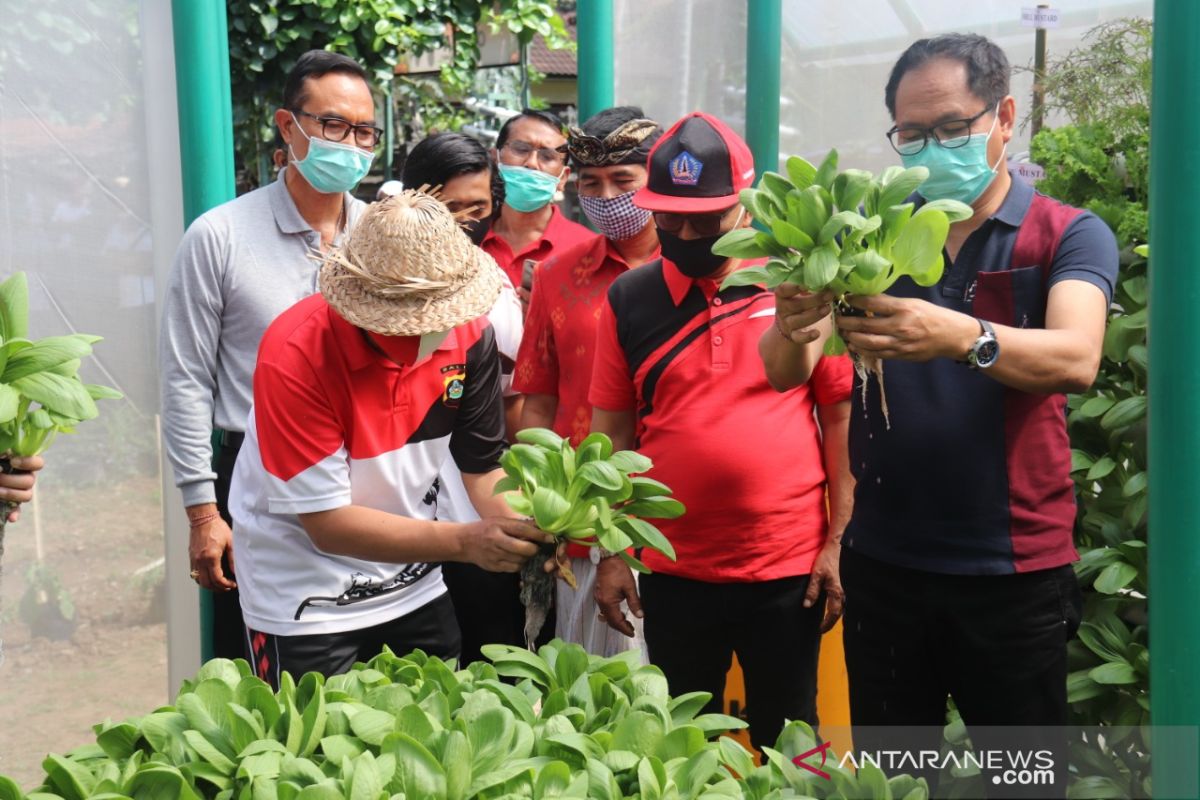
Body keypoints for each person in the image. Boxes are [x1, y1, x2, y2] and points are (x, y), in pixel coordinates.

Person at [765, 34, 1118, 794]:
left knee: (1019, 780)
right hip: (886, 563)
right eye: (913, 134)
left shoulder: (1064, 232)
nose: (932, 148)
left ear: (1005, 118)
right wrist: (792, 322)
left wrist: (962, 337)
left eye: (953, 128)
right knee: (896, 776)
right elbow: (784, 368)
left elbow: (1077, 357)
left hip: (1012, 567)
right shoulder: (870, 232)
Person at [589, 112, 853, 752]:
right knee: (683, 742)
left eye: (704, 219)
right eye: (668, 217)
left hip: (788, 567)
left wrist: (839, 541)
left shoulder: (798, 288)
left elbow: (841, 419)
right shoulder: (630, 299)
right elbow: (611, 439)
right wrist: (615, 551)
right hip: (674, 571)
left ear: (745, 205)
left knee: (793, 740)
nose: (683, 232)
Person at [229, 191, 553, 685]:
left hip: (414, 580)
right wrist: (467, 542)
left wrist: (527, 532)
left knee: (432, 735)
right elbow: (326, 523)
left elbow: (482, 467)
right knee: (312, 747)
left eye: (439, 316)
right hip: (305, 596)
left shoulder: (471, 335)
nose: (429, 333)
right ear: (361, 307)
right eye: (404, 321)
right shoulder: (297, 352)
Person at [159, 50, 376, 659]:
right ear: (288, 125)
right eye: (333, 125)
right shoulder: (220, 235)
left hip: (369, 475)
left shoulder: (384, 235)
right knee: (270, 666)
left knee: (378, 653)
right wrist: (204, 512)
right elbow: (185, 380)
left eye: (364, 131)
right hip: (257, 477)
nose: (351, 145)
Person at [514, 106, 662, 656]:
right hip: (586, 516)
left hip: (683, 511)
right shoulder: (555, 274)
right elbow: (539, 399)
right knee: (595, 688)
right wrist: (536, 497)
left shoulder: (701, 268)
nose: (606, 196)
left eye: (624, 181)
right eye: (590, 183)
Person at [399, 132, 529, 665]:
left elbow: (511, 402)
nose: (466, 221)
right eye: (449, 208)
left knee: (489, 660)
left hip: (477, 507)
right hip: (398, 518)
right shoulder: (376, 286)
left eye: (478, 207)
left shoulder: (494, 285)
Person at [482, 109, 594, 293]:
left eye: (547, 156)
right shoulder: (467, 240)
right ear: (495, 159)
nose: (532, 163)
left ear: (563, 178)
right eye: (520, 149)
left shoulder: (587, 250)